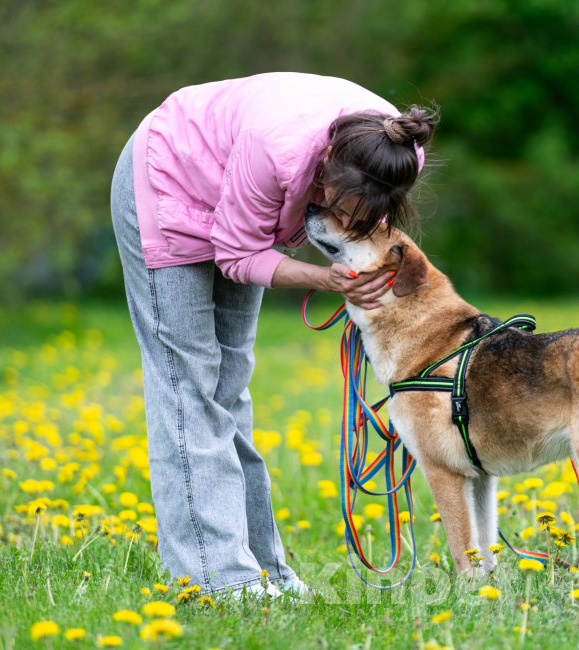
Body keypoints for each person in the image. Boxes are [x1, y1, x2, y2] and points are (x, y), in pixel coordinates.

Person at [109, 72, 434, 597]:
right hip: (169, 176)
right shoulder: (276, 149)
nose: (346, 221)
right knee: (188, 384)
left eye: (362, 216)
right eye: (340, 208)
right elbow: (238, 256)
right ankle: (216, 576)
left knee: (229, 384)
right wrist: (327, 279)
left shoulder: (396, 154)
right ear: (326, 160)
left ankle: (264, 570)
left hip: (240, 204)